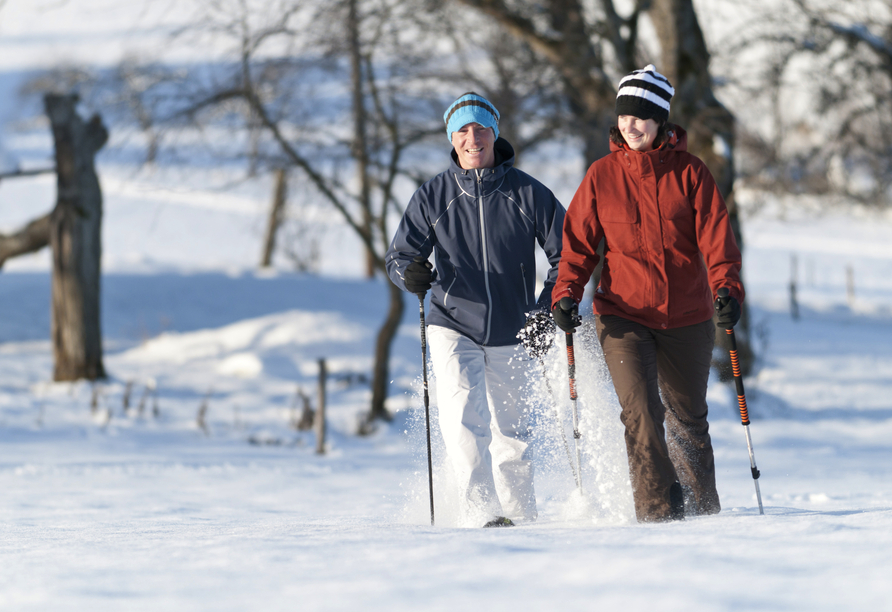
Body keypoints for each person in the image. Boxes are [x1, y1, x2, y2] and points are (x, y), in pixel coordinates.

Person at [551, 65, 744, 523]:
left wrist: (727, 290)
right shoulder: (601, 176)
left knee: (688, 418)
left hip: (688, 317)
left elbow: (718, 242)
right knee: (640, 413)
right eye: (624, 117)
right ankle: (656, 514)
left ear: (661, 121)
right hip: (623, 315)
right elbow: (577, 246)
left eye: (641, 117)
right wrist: (566, 293)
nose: (630, 125)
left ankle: (702, 515)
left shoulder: (691, 173)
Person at [386, 92, 565, 528]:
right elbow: (399, 257)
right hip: (453, 322)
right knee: (463, 420)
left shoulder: (528, 192)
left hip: (514, 325)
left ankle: (520, 517)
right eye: (462, 131)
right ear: (452, 138)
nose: (472, 138)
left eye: (480, 129)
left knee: (513, 434)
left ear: (494, 133)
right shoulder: (433, 195)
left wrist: (547, 308)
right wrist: (409, 274)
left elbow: (570, 256)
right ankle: (480, 514)